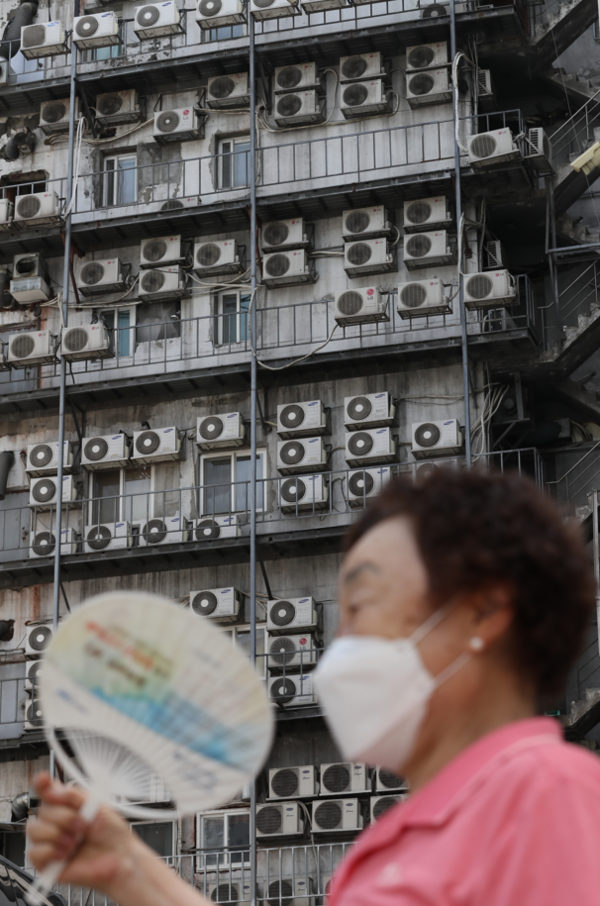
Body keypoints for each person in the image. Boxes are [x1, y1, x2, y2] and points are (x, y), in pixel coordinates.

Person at [28, 469, 600, 906]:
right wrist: (126, 866)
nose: (340, 645)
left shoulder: (547, 794)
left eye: (361, 605)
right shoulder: (410, 834)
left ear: (483, 612)